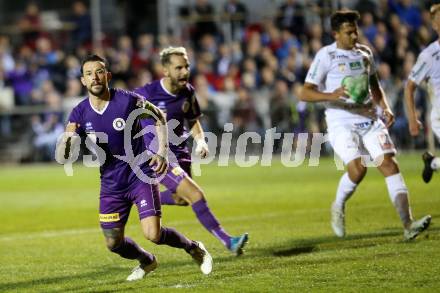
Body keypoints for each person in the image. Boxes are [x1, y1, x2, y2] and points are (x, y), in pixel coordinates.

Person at [55, 55, 212, 282]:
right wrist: (66, 144)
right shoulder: (79, 112)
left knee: (153, 234)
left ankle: (193, 247)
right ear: (83, 81)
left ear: (107, 75)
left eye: (99, 72)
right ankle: (146, 260)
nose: (95, 77)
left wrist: (161, 151)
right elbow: (64, 152)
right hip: (111, 183)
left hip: (141, 175)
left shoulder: (127, 100)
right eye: (89, 74)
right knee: (113, 243)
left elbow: (158, 115)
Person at [299, 10, 431, 240]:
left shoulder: (365, 53)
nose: (354, 36)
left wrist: (386, 107)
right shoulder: (326, 56)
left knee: (389, 165)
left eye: (355, 31)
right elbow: (304, 92)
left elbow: (375, 86)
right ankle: (338, 206)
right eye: (348, 32)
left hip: (369, 119)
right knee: (358, 169)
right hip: (341, 121)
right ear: (336, 34)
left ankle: (408, 224)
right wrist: (332, 95)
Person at [135, 47, 249, 255]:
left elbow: (193, 118)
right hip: (159, 156)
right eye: (178, 67)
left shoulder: (188, 91)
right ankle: (229, 241)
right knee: (195, 194)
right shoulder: (147, 93)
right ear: (166, 70)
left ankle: (142, 197)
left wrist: (201, 141)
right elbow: (122, 112)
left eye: (186, 66)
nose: (184, 71)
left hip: (181, 151)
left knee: (180, 199)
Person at [404, 3, 440, 184]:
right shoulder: (429, 56)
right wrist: (412, 118)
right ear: (435, 25)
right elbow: (409, 87)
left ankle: (433, 163)